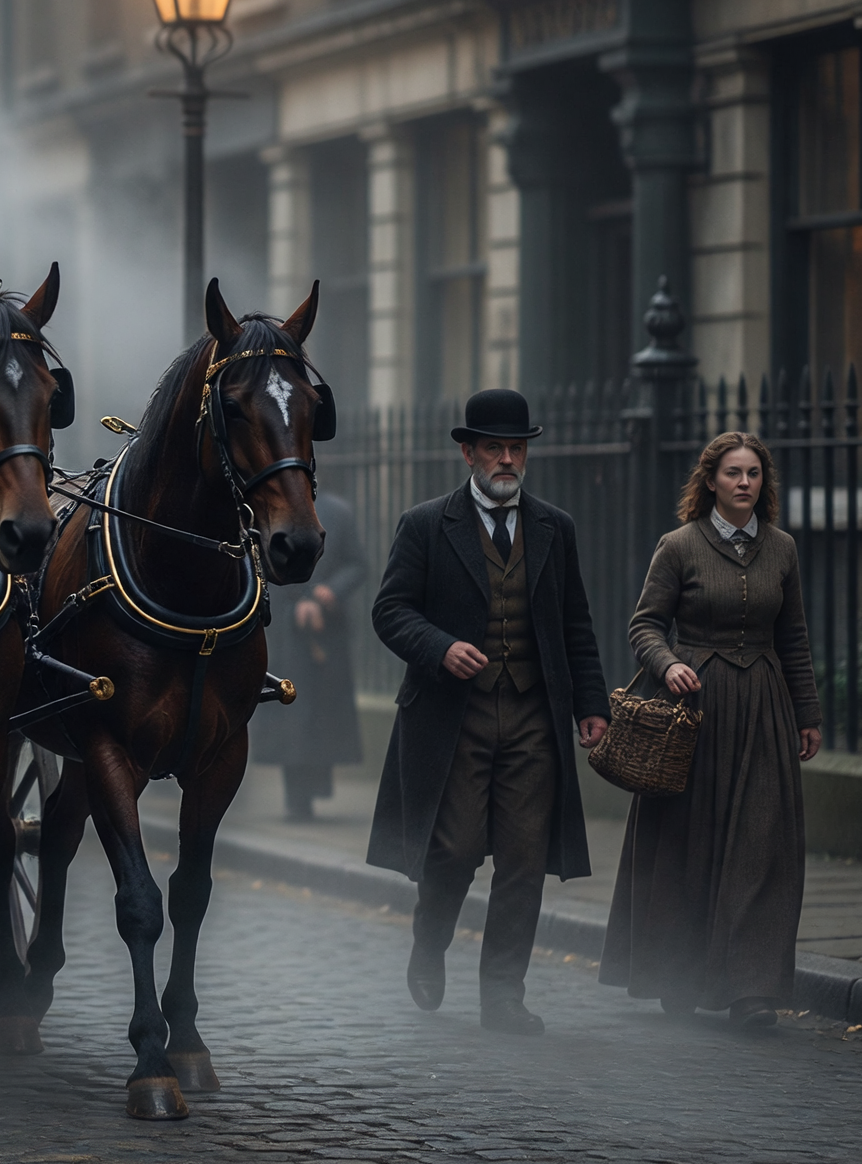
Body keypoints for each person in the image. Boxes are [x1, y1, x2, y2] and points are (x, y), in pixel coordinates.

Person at [367, 388, 609, 1035]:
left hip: (534, 720)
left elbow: (576, 623)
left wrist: (592, 704)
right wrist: (441, 649)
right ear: (468, 452)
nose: (507, 459)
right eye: (495, 448)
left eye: (517, 448)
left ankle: (503, 993)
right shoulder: (426, 525)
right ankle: (429, 939)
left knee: (525, 860)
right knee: (454, 849)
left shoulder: (555, 527)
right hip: (454, 721)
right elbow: (389, 612)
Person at [602, 432, 821, 1030]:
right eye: (733, 473)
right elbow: (644, 625)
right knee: (687, 845)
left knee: (761, 844)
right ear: (711, 482)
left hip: (765, 711)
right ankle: (680, 974)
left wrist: (808, 714)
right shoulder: (678, 546)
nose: (745, 482)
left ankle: (753, 990)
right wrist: (668, 662)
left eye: (754, 473)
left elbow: (794, 639)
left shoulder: (783, 549)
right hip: (694, 710)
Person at [260, 490, 368, 821]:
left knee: (324, 715)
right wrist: (298, 603)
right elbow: (264, 566)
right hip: (286, 637)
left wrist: (329, 592)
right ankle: (298, 798)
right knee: (293, 715)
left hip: (328, 636)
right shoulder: (269, 512)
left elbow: (357, 565)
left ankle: (316, 791)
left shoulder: (339, 511)